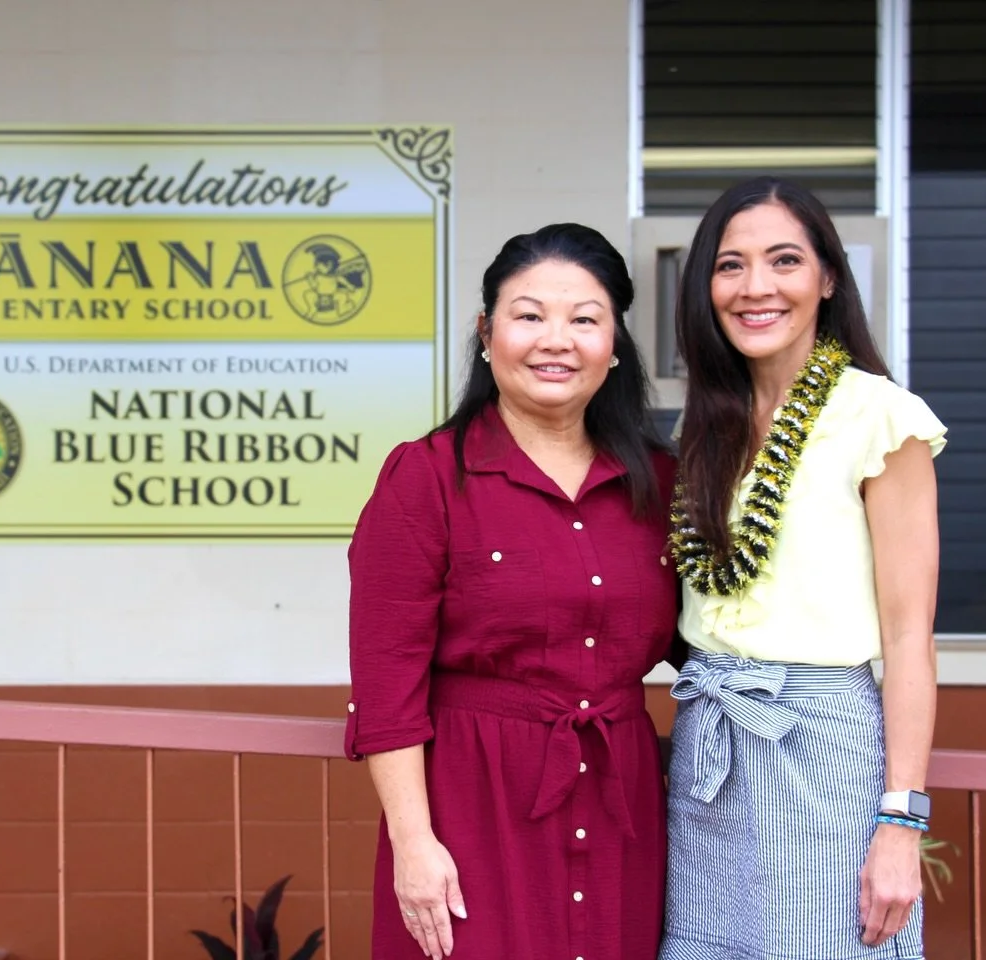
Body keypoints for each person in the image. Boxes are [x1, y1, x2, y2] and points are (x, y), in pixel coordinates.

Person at [345, 223, 679, 960]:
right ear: (486, 334)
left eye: (584, 319)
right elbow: (386, 683)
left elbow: (722, 639)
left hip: (620, 799)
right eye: (529, 315)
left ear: (615, 344)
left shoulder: (661, 483)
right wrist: (414, 845)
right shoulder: (427, 478)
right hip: (472, 808)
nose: (556, 340)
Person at [660, 177, 945, 960]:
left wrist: (900, 821)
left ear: (826, 278)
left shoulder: (880, 417)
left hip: (822, 744)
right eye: (731, 265)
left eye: (784, 261)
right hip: (709, 741)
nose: (756, 287)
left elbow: (909, 636)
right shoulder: (705, 424)